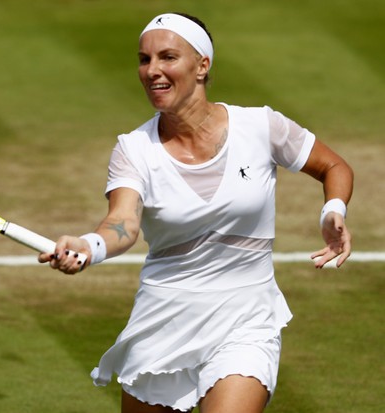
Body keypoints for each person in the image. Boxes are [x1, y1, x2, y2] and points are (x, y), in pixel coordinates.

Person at [38, 12, 353, 413]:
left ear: (203, 65)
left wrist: (333, 210)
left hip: (246, 318)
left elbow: (334, 167)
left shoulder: (260, 126)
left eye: (168, 57)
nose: (152, 71)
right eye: (144, 59)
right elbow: (123, 222)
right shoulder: (134, 149)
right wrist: (89, 245)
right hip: (164, 320)